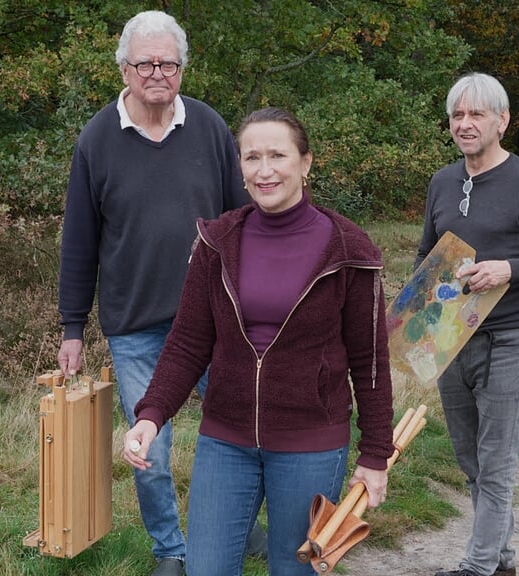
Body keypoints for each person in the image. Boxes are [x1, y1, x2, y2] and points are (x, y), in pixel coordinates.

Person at [122, 106, 394, 576]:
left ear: (306, 163)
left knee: (292, 571)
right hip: (224, 440)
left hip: (311, 443)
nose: (264, 170)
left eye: (277, 155)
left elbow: (369, 361)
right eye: (251, 158)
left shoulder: (349, 252)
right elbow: (188, 341)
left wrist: (375, 455)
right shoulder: (216, 242)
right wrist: (152, 414)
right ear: (240, 168)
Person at [55, 10, 253, 576]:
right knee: (152, 451)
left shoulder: (211, 128)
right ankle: (170, 549)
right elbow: (78, 241)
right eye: (146, 63)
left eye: (169, 63)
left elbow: (243, 217)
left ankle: (236, 527)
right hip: (135, 324)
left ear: (183, 69)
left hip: (216, 317)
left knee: (239, 430)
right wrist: (73, 327)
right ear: (124, 68)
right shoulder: (96, 140)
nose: (158, 73)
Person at [419, 73, 519, 576]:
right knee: (470, 459)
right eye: (458, 116)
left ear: (502, 121)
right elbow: (427, 257)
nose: (465, 124)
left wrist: (509, 270)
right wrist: (417, 323)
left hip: (508, 336)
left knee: (498, 460)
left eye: (476, 114)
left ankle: (478, 566)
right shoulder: (442, 182)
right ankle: (502, 558)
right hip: (450, 338)